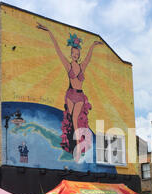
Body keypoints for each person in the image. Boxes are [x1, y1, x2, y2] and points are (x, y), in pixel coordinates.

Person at [37, 22, 103, 160]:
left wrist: (93, 45)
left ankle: (78, 146)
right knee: (70, 119)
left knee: (75, 119)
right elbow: (58, 51)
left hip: (79, 96)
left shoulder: (82, 66)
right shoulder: (68, 65)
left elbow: (89, 58)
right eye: (74, 53)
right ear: (71, 53)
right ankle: (73, 145)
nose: (76, 55)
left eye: (78, 54)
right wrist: (49, 31)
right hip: (70, 94)